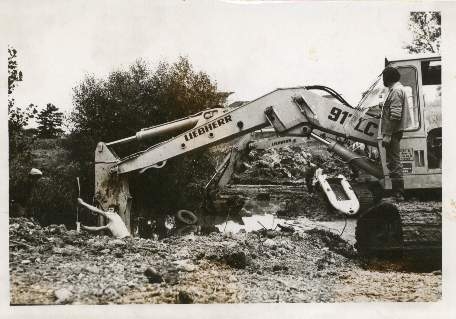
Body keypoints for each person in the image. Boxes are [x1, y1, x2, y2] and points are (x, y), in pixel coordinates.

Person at [381, 66, 407, 201]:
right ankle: (397, 192)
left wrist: (387, 134)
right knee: (393, 161)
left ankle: (398, 194)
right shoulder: (397, 89)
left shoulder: (395, 91)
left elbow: (395, 116)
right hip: (395, 131)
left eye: (383, 78)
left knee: (394, 161)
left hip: (393, 132)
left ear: (387, 78)